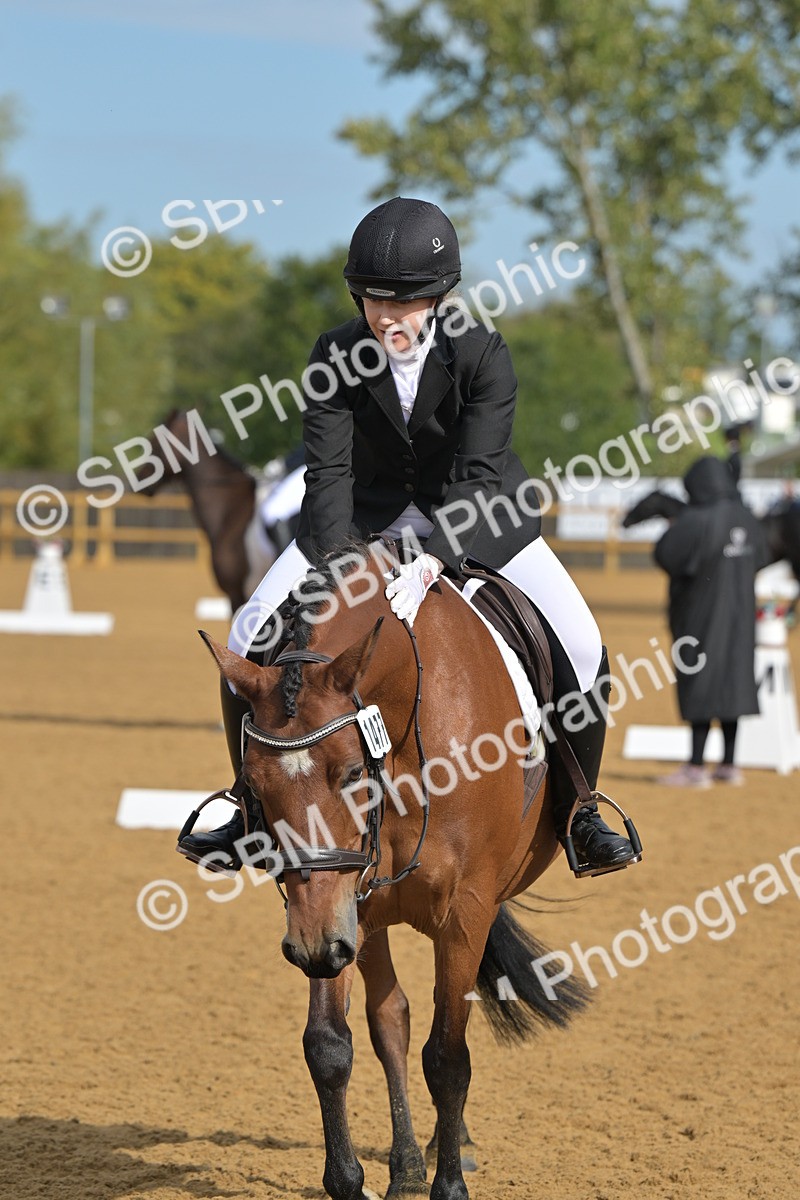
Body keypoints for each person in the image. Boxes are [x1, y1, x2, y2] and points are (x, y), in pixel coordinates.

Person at [179, 196, 638, 875]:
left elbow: (479, 473)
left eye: (404, 303)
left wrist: (435, 560)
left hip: (479, 517)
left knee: (583, 641)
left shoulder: (483, 353)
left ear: (439, 296)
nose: (386, 318)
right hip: (361, 515)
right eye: (372, 301)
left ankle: (581, 810)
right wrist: (338, 563)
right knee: (249, 634)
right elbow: (328, 471)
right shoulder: (333, 354)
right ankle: (247, 808)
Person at [654, 455, 769, 787]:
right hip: (741, 616)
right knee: (735, 682)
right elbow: (760, 557)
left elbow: (665, 554)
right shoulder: (747, 519)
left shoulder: (695, 519)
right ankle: (730, 765)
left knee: (701, 681)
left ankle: (695, 767)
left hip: (702, 615)